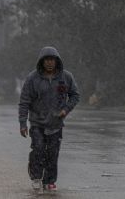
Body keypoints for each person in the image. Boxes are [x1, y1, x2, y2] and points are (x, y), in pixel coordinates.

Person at [18, 46, 80, 192]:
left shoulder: (66, 77)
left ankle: (50, 181)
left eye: (52, 60)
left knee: (53, 153)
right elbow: (24, 101)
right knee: (38, 149)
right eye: (47, 60)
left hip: (56, 124)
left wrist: (65, 109)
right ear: (42, 62)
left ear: (57, 61)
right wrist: (22, 123)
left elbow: (75, 96)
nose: (50, 63)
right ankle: (36, 177)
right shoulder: (32, 78)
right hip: (37, 122)